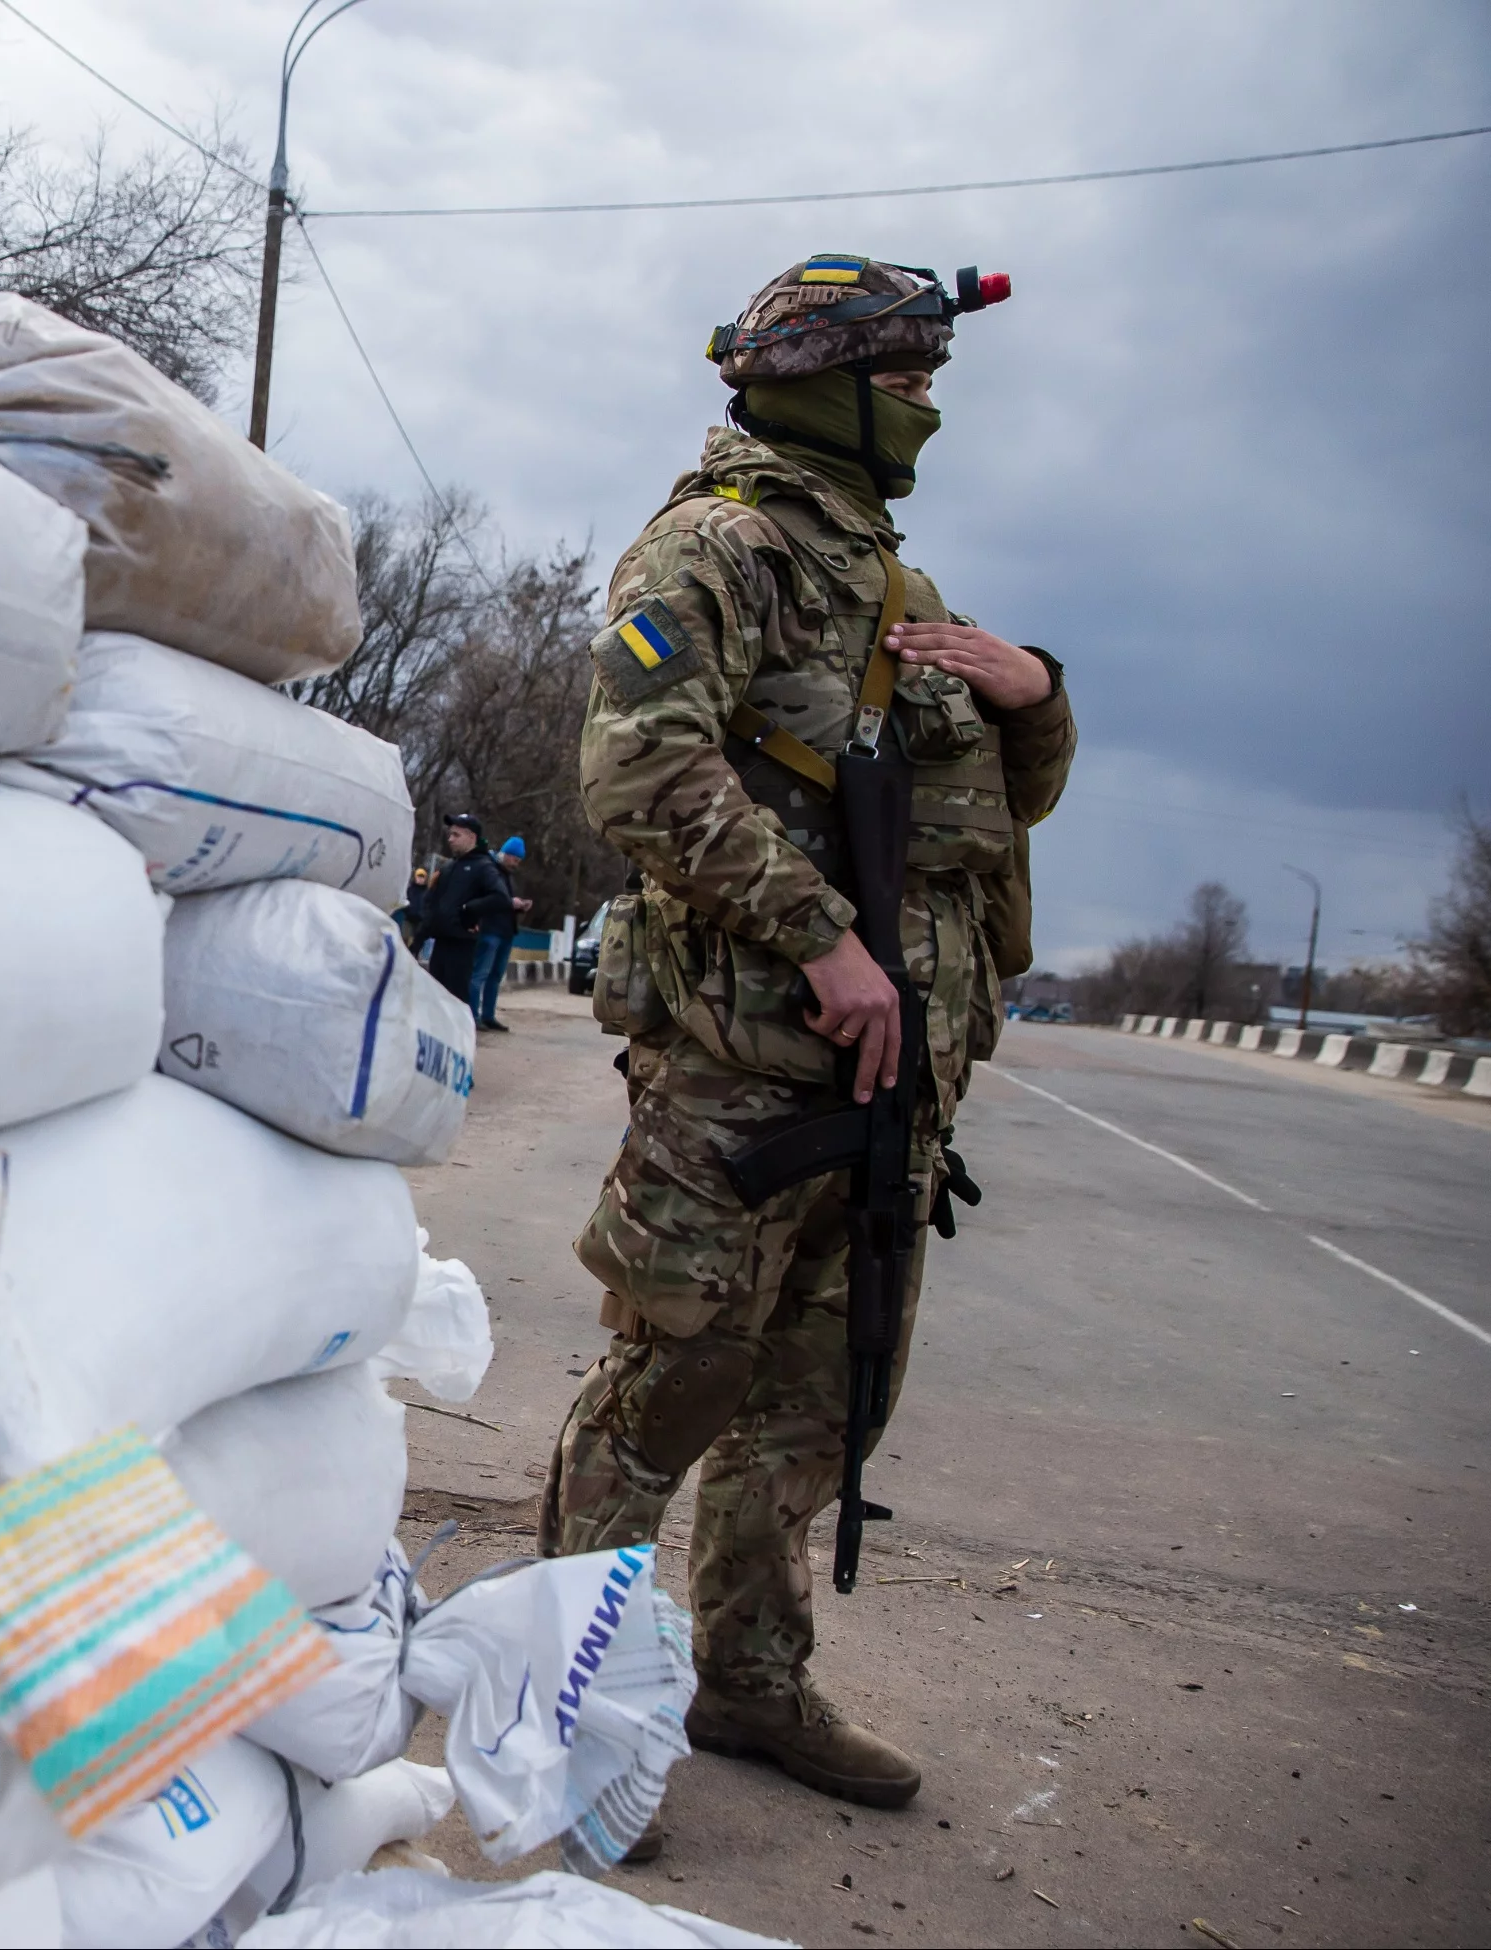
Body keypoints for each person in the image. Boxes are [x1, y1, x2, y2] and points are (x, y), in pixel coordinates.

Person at [537, 255, 1075, 1813]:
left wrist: (1034, 694)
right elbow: (638, 772)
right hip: (744, 1075)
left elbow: (998, 803)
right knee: (671, 1385)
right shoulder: (720, 546)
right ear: (824, 384)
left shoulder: (898, 587)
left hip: (890, 1088)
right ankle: (560, 1697)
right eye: (905, 384)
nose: (926, 411)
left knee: (817, 1404)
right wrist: (821, 935)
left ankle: (750, 1686)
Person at [418, 814, 514, 1008]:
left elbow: (501, 897)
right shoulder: (449, 867)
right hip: (440, 943)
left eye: (456, 835)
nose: (450, 839)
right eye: (450, 834)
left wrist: (470, 910)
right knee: (434, 1001)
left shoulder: (483, 866)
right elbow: (434, 903)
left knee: (455, 1001)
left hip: (461, 946)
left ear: (471, 837)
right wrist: (417, 941)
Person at [469, 836, 535, 1031]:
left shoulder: (506, 875)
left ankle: (488, 1015)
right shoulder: (490, 871)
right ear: (506, 854)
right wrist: (510, 903)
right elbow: (491, 899)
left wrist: (519, 906)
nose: (516, 864)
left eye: (519, 861)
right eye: (515, 859)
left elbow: (504, 899)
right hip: (490, 929)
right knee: (480, 973)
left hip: (506, 930)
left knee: (495, 976)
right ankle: (473, 1015)